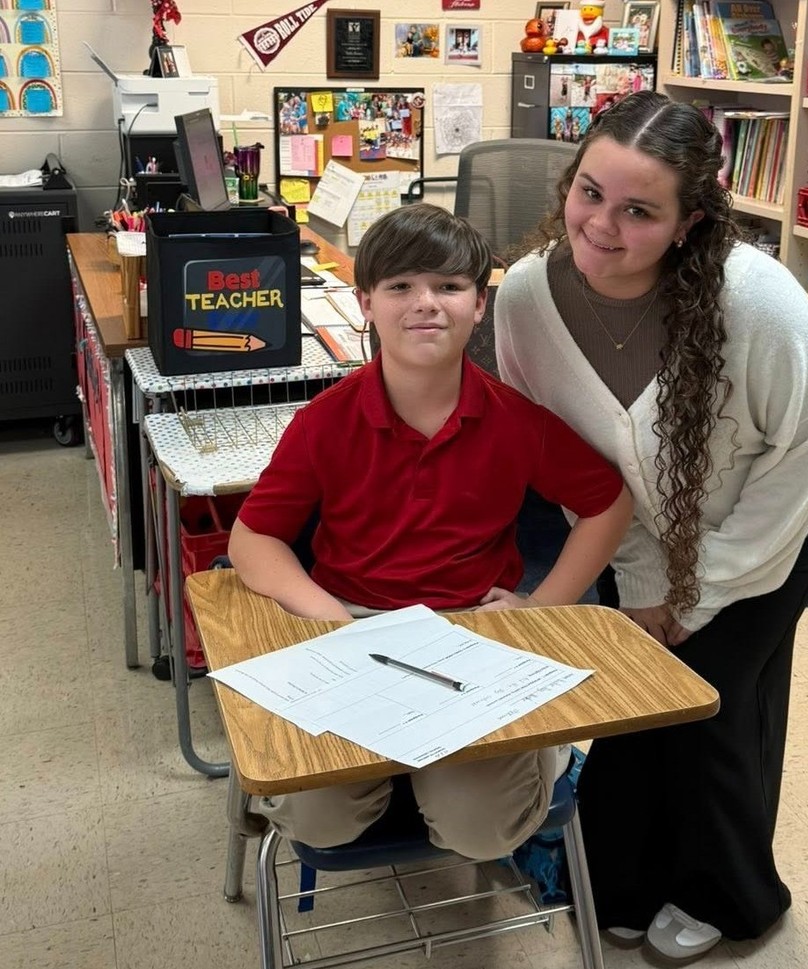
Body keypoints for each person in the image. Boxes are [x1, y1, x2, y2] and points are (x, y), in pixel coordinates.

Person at [494, 91, 808, 963]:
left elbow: (801, 460)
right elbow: (563, 461)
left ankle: (733, 899)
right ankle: (622, 881)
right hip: (634, 532)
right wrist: (648, 585)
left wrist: (700, 593)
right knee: (632, 697)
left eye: (639, 211)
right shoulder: (528, 297)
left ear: (690, 221)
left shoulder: (756, 303)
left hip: (780, 524)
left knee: (711, 701)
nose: (600, 226)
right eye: (590, 193)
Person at [228, 203, 632, 861]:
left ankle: (531, 752)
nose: (425, 304)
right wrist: (330, 620)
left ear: (480, 304)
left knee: (481, 831)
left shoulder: (515, 421)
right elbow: (252, 540)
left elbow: (608, 503)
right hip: (353, 628)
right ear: (366, 303)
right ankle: (401, 769)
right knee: (319, 819)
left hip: (469, 635)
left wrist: (540, 607)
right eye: (400, 286)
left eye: (448, 286)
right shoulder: (325, 421)